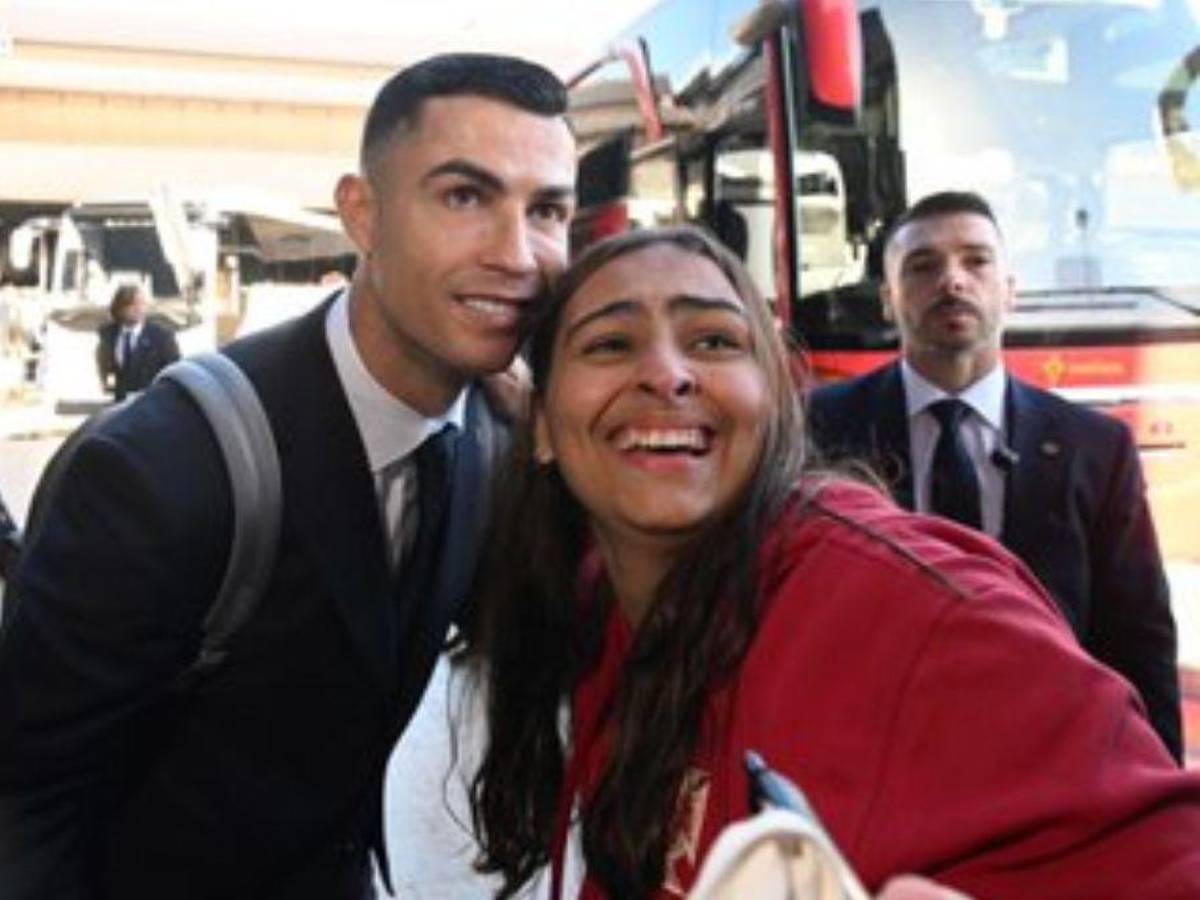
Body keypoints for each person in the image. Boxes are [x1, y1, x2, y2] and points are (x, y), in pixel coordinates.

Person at [465, 225, 1200, 900]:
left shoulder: (919, 613)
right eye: (609, 345)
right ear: (541, 431)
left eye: (715, 341)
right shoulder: (596, 601)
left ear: (782, 398)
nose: (668, 374)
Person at [0, 52, 576, 900]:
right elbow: (25, 803)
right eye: (465, 196)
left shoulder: (498, 437)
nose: (518, 253)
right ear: (362, 214)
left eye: (549, 210)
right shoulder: (164, 471)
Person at [807, 190, 1182, 762]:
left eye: (976, 261)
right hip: (874, 756)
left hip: (1049, 760)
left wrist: (1160, 803)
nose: (953, 281)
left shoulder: (1095, 447)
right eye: (923, 266)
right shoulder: (820, 429)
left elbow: (1139, 640)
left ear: (1010, 289)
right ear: (887, 299)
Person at [95, 283, 182, 400]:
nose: (138, 309)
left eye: (141, 304)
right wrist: (108, 384)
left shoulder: (161, 336)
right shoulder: (109, 334)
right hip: (121, 401)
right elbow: (105, 363)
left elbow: (174, 369)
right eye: (132, 304)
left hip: (152, 401)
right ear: (119, 308)